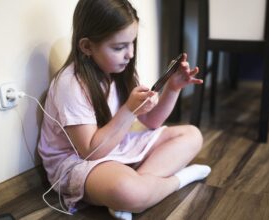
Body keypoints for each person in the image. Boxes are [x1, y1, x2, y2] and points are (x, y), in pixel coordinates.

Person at [38, 0, 211, 219]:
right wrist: (129, 110)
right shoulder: (70, 83)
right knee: (128, 190)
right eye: (119, 47)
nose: (129, 54)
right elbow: (90, 151)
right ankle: (179, 179)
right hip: (78, 162)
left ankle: (137, 189)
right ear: (87, 46)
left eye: (132, 43)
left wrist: (173, 88)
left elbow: (151, 122)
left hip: (115, 147)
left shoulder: (120, 69)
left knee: (192, 135)